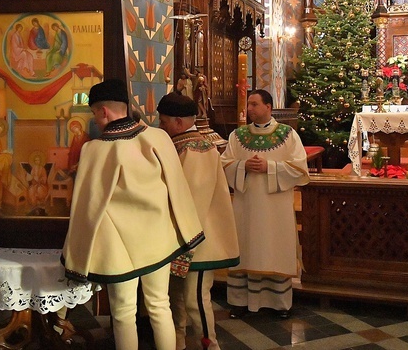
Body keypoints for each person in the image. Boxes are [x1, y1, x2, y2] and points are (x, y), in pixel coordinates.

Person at [62, 79, 204, 350]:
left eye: (94, 113)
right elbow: (177, 187)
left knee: (124, 313)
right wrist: (187, 229)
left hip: (119, 248)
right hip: (158, 240)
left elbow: (86, 206)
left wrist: (76, 253)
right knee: (160, 306)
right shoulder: (158, 137)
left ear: (103, 112)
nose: (96, 120)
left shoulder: (94, 150)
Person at [157, 93, 240, 350]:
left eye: (163, 122)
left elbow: (195, 200)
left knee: (194, 298)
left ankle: (209, 346)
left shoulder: (197, 148)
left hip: (198, 240)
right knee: (176, 298)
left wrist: (185, 246)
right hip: (181, 238)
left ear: (179, 122)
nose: (161, 127)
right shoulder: (183, 144)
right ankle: (178, 343)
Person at [220, 89, 310, 319]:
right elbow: (224, 164)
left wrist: (270, 167)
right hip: (246, 206)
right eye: (248, 104)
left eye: (254, 104)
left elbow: (300, 169)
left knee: (274, 248)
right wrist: (242, 166)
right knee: (246, 248)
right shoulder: (237, 136)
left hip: (275, 208)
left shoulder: (288, 135)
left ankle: (278, 304)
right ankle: (241, 302)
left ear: (268, 107)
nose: (249, 109)